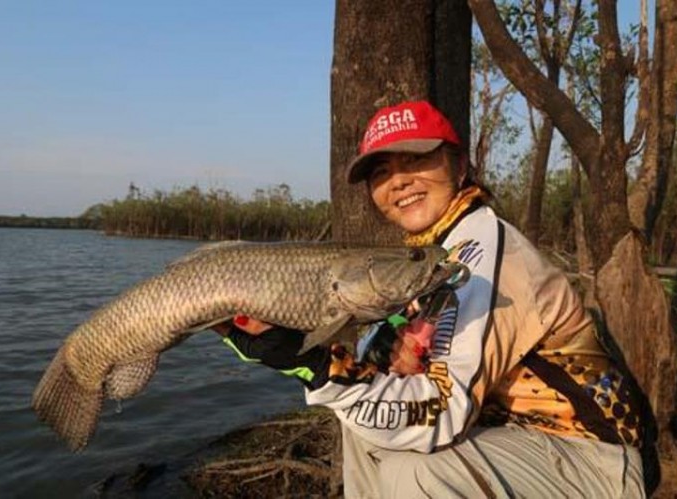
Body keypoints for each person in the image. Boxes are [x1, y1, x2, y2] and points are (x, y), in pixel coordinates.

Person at [217, 100, 647, 498]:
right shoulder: (429, 261)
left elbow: (438, 415)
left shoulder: (482, 256)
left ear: (460, 167)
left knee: (419, 473)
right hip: (508, 441)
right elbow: (374, 381)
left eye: (418, 160)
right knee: (363, 427)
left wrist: (316, 368)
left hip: (592, 459)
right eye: (381, 173)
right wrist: (305, 356)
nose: (399, 181)